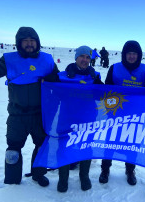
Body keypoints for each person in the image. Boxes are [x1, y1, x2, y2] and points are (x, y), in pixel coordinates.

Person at [0, 27, 59, 187]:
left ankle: (38, 174)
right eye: (25, 41)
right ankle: (13, 181)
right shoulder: (9, 59)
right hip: (17, 115)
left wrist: (53, 78)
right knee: (13, 150)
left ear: (37, 43)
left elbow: (58, 84)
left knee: (42, 147)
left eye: (32, 41)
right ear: (19, 43)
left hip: (40, 115)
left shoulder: (47, 60)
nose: (29, 44)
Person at [44, 45, 103, 192]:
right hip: (67, 119)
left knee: (86, 146)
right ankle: (63, 179)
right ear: (76, 57)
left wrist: (96, 80)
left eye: (88, 57)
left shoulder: (94, 76)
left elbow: (101, 94)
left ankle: (84, 176)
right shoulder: (63, 76)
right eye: (82, 56)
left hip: (88, 119)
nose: (85, 60)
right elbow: (52, 90)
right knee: (63, 147)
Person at [99, 40, 145, 186]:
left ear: (139, 55)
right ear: (124, 54)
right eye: (128, 53)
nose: (131, 56)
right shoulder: (115, 68)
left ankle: (130, 170)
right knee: (109, 142)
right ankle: (105, 169)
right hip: (115, 113)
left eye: (134, 53)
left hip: (135, 115)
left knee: (132, 143)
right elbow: (106, 91)